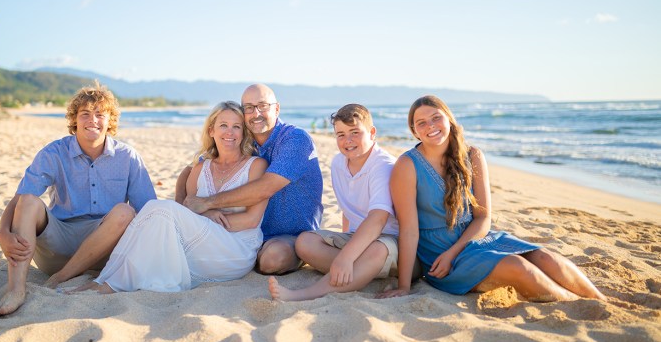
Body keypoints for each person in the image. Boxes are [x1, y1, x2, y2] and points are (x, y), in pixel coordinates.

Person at [379, 95, 605, 302]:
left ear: (449, 119)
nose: (430, 126)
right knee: (517, 266)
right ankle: (576, 305)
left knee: (545, 257)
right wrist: (405, 287)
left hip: (476, 239)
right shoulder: (407, 165)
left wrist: (455, 250)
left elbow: (483, 218)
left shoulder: (472, 155)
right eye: (421, 123)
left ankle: (601, 302)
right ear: (414, 131)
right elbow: (409, 229)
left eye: (436, 118)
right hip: (439, 255)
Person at [0, 82, 156, 315]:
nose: (93, 120)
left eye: (100, 114)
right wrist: (3, 233)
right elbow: (20, 197)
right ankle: (16, 290)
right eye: (85, 114)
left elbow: (150, 211)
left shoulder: (127, 157)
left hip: (105, 252)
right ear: (74, 120)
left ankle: (63, 277)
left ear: (110, 121)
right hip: (59, 244)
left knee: (125, 212)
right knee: (29, 201)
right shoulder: (54, 152)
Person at [72, 101, 268, 293]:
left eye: (236, 127)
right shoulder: (201, 168)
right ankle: (108, 279)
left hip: (236, 250)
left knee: (161, 209)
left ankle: (111, 282)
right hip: (201, 249)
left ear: (243, 132)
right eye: (223, 125)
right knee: (154, 210)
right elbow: (189, 209)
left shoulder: (256, 166)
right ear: (211, 131)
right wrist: (205, 216)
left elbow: (252, 220)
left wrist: (205, 218)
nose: (229, 132)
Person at [269, 104, 419, 301]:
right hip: (359, 238)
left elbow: (378, 219)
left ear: (372, 133)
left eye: (355, 132)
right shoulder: (338, 163)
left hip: (393, 247)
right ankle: (362, 272)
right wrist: (344, 250)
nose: (348, 140)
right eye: (341, 134)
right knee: (305, 242)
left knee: (375, 250)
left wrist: (346, 257)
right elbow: (348, 210)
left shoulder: (383, 166)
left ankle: (306, 293)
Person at [179, 84, 323, 274]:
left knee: (272, 260)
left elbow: (265, 188)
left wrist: (206, 203)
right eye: (249, 107)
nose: (256, 113)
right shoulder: (243, 140)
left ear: (277, 108)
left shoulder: (294, 139)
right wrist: (183, 208)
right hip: (247, 233)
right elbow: (190, 171)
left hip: (289, 234)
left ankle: (296, 257)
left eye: (263, 106)